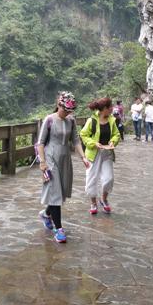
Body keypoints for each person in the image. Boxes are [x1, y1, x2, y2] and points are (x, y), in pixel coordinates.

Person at [36, 92, 90, 243]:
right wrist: (42, 162)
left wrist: (83, 157)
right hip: (51, 158)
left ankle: (46, 214)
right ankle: (58, 229)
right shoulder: (49, 120)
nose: (67, 113)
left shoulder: (71, 121)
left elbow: (76, 140)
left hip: (65, 158)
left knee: (60, 192)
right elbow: (40, 143)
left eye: (70, 110)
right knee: (55, 193)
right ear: (59, 105)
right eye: (65, 109)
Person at [81, 97, 121, 215]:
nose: (112, 109)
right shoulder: (92, 121)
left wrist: (113, 141)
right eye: (110, 107)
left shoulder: (112, 120)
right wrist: (94, 143)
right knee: (91, 179)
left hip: (107, 152)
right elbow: (83, 135)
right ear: (104, 109)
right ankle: (93, 203)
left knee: (109, 178)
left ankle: (103, 199)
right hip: (93, 153)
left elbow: (116, 134)